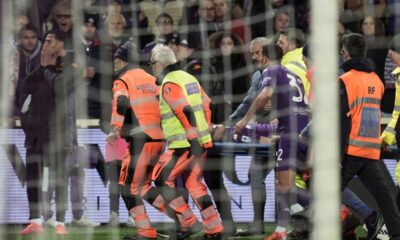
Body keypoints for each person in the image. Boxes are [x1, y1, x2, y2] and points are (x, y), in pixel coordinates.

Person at [235, 43, 310, 240]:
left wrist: (245, 119)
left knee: (285, 187)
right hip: (303, 132)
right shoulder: (294, 76)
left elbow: (266, 93)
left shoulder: (272, 69)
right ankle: (281, 230)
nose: (258, 59)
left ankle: (331, 208)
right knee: (283, 185)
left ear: (265, 57)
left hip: (290, 134)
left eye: (260, 56)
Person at [106, 41, 180, 239]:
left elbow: (121, 102)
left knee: (127, 187)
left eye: (115, 60)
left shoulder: (122, 79)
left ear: (121, 60)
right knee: (143, 186)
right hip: (159, 138)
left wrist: (115, 129)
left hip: (140, 138)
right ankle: (183, 219)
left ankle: (146, 231)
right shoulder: (152, 78)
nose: (114, 64)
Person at [150, 45, 224, 240]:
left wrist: (192, 137)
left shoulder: (169, 82)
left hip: (185, 143)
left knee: (160, 177)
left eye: (151, 64)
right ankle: (214, 229)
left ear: (160, 63)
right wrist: (206, 127)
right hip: (201, 140)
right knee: (194, 184)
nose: (151, 68)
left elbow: (184, 111)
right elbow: (207, 102)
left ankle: (189, 223)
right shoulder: (189, 77)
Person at [339, 33, 400, 240]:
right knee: (384, 196)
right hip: (371, 150)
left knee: (324, 193)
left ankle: (330, 230)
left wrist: (338, 157)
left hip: (350, 150)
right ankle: (395, 233)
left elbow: (342, 121)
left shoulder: (345, 81)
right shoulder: (376, 80)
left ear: (346, 53)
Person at [15, 25, 46, 235]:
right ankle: (35, 219)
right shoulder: (12, 57)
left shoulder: (46, 63)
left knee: (53, 175)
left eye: (32, 37)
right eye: (25, 37)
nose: (29, 40)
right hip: (30, 124)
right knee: (34, 173)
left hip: (46, 125)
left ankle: (55, 218)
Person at [276, 28, 309, 96]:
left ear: (292, 46)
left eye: (281, 42)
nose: (277, 44)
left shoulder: (292, 68)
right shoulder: (301, 58)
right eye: (277, 41)